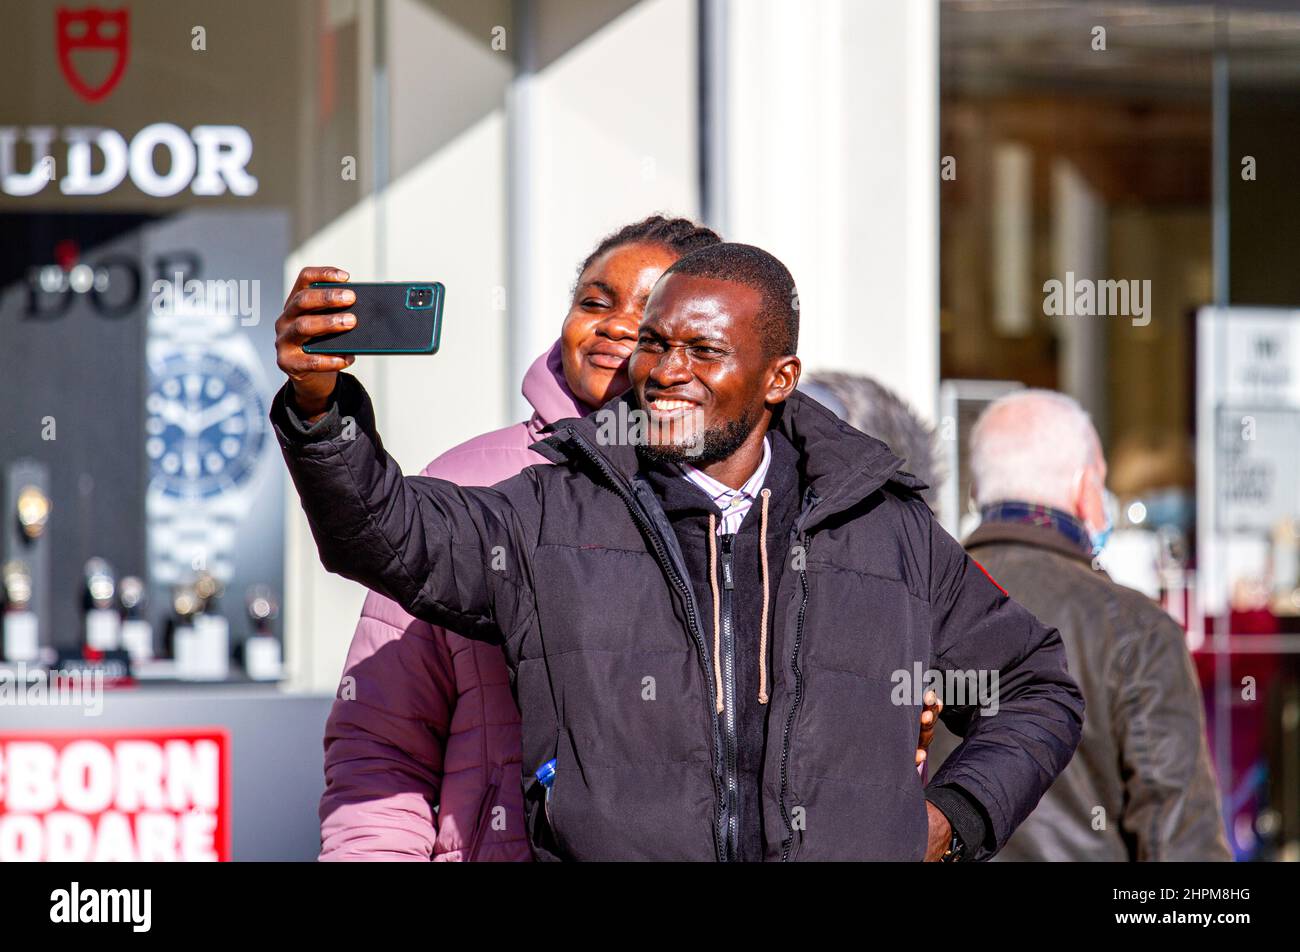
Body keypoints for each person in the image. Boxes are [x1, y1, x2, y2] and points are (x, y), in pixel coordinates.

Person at [273, 241, 1083, 861]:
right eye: (657, 345)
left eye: (704, 351)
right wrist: (320, 406)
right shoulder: (555, 508)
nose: (666, 372)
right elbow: (384, 533)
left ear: (778, 378)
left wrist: (947, 823)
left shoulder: (884, 526)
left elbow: (1036, 687)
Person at [960, 389, 1230, 861]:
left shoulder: (908, 605)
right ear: (1088, 490)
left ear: (976, 494)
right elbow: (1181, 845)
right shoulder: (1136, 629)